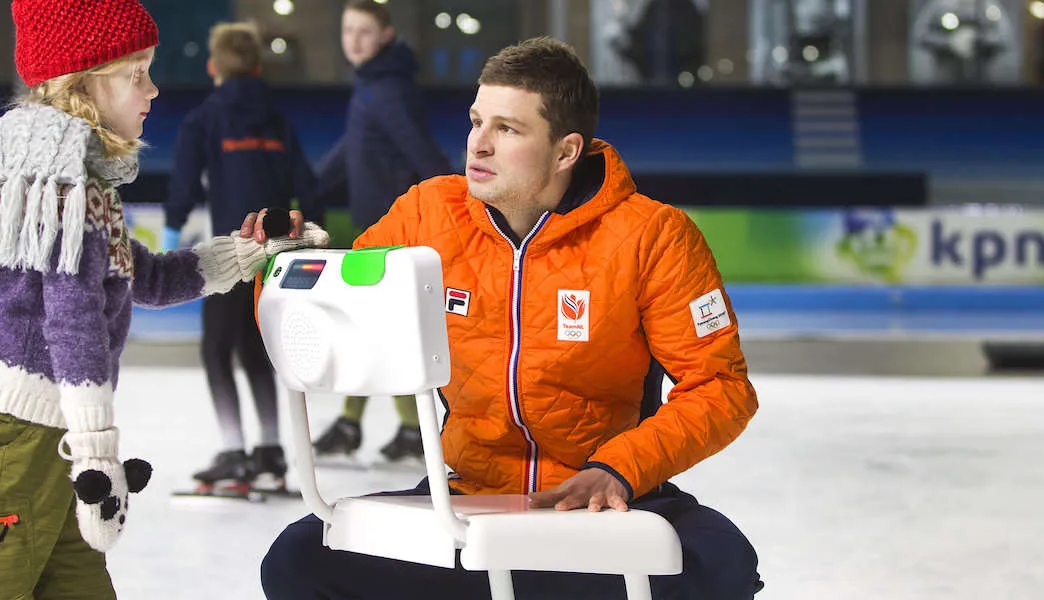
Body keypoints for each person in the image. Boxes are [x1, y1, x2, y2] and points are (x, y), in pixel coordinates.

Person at [261, 37, 763, 600]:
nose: (479, 143)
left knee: (721, 562)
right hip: (467, 499)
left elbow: (720, 387)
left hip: (601, 503)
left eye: (507, 129)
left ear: (566, 151)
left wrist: (618, 470)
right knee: (300, 557)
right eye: (477, 121)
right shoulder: (427, 214)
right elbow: (326, 323)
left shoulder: (653, 236)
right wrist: (282, 264)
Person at [0, 1, 327, 597]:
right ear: (82, 83)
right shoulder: (60, 191)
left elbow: (146, 277)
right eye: (136, 73)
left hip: (45, 431)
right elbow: (73, 325)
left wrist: (248, 253)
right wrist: (96, 454)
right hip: (10, 438)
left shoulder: (74, 181)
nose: (152, 89)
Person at [163, 22, 319, 494]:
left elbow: (184, 183)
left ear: (213, 66)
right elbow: (307, 185)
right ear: (256, 67)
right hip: (275, 258)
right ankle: (270, 451)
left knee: (216, 349)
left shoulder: (204, 119)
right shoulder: (278, 120)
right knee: (256, 349)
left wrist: (172, 233)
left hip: (230, 256)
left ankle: (234, 450)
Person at [310, 0, 454, 464]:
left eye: (364, 31)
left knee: (380, 328)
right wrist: (304, 187)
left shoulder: (385, 88)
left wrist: (455, 199)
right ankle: (358, 424)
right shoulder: (375, 84)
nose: (353, 40)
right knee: (370, 325)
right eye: (347, 30)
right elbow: (351, 149)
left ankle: (406, 428)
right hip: (376, 225)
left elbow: (419, 149)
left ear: (386, 35)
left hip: (391, 230)